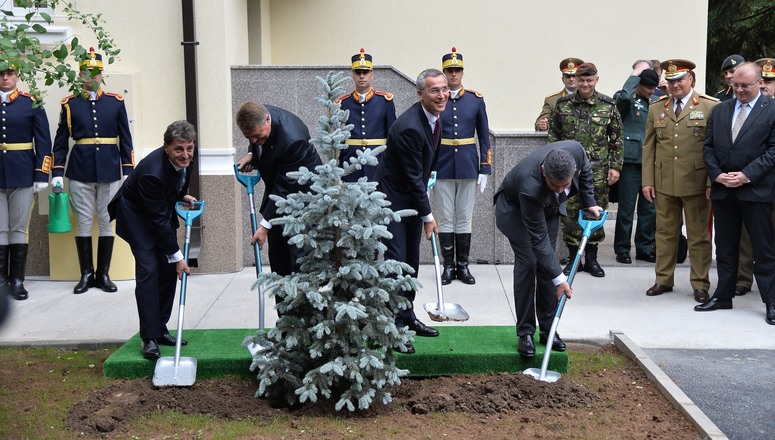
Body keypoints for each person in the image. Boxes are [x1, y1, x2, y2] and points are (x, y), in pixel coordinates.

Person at [494, 140, 601, 358]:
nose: (561, 191)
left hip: (548, 209)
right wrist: (560, 279)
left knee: (547, 266)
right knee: (530, 261)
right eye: (555, 186)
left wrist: (588, 201)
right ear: (544, 172)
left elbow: (587, 171)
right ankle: (525, 332)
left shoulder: (576, 151)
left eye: (565, 185)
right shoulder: (530, 187)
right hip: (514, 210)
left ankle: (548, 329)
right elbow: (539, 240)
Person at [107, 120, 197, 359]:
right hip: (136, 217)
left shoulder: (187, 157)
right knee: (149, 270)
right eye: (179, 149)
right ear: (166, 147)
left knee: (167, 271)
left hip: (156, 210)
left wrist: (181, 194)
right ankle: (148, 337)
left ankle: (160, 329)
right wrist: (178, 257)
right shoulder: (151, 173)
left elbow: (177, 180)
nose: (185, 154)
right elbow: (158, 221)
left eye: (189, 148)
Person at [375, 68, 448, 354]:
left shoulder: (433, 117)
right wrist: (429, 216)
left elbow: (421, 172)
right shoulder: (409, 127)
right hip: (393, 200)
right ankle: (393, 329)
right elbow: (411, 177)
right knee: (397, 263)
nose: (441, 95)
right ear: (420, 94)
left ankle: (406, 317)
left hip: (411, 196)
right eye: (434, 90)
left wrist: (424, 208)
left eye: (444, 89)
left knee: (411, 261)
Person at [52, 48, 134, 295]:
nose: (93, 75)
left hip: (109, 168)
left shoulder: (115, 102)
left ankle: (104, 274)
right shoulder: (70, 104)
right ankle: (86, 274)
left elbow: (125, 138)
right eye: (88, 71)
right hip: (80, 169)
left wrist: (128, 170)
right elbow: (60, 140)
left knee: (107, 220)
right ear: (80, 73)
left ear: (102, 74)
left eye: (97, 71)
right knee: (85, 222)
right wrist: (57, 171)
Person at [698, 62, 775, 326]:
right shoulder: (721, 110)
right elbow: (708, 147)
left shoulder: (772, 109)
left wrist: (745, 175)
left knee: (763, 250)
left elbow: (773, 152)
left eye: (745, 85)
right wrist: (717, 174)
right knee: (726, 248)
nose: (740, 90)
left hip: (755, 190)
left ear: (759, 83)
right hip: (724, 190)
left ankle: (771, 301)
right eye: (736, 85)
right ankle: (723, 296)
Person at [642, 59, 718, 302]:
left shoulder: (709, 107)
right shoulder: (657, 107)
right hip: (664, 182)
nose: (674, 85)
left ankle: (700, 284)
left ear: (691, 81)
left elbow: (714, 148)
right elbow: (649, 147)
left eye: (680, 80)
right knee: (664, 234)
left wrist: (710, 183)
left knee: (699, 236)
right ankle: (663, 279)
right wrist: (647, 181)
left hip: (696, 183)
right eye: (671, 80)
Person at [548, 62, 623, 278]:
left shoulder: (608, 105)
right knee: (569, 214)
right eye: (581, 80)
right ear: (575, 80)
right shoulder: (562, 105)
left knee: (595, 212)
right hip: (568, 172)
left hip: (598, 171)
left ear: (596, 80)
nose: (585, 84)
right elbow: (553, 136)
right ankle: (574, 260)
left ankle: (592, 259)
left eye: (589, 80)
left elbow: (617, 139)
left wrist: (616, 167)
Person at [235, 102, 323, 283]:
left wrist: (264, 226)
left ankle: (301, 308)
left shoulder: (293, 139)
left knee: (298, 260)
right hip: (278, 193)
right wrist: (253, 154)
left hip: (302, 201)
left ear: (268, 120)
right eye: (248, 137)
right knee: (278, 261)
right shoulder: (257, 114)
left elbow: (285, 187)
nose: (253, 141)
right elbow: (258, 141)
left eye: (257, 137)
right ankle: (283, 309)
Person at [435, 47, 492, 285]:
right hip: (442, 164)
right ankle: (448, 267)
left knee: (464, 217)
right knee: (446, 217)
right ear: (444, 72)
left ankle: (463, 266)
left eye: (457, 70)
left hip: (468, 163)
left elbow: (484, 136)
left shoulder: (475, 99)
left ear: (462, 72)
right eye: (450, 70)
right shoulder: (437, 98)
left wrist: (485, 167)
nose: (454, 74)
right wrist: (428, 167)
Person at [0, 68, 52, 300]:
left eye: (9, 73)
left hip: (22, 173)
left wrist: (41, 175)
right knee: (0, 229)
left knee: (19, 228)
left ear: (18, 76)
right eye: (1, 73)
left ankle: (17, 280)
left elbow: (43, 141)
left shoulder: (31, 103)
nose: (4, 77)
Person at [734, 57, 775, 297]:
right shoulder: (745, 108)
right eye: (765, 81)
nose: (767, 86)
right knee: (747, 235)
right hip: (755, 180)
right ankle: (743, 279)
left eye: (771, 81)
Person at [612, 62, 660, 264]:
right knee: (626, 209)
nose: (651, 91)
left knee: (649, 209)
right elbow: (620, 101)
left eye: (653, 88)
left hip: (652, 163)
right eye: (648, 87)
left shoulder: (657, 100)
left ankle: (644, 247)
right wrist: (634, 75)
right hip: (630, 163)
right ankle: (622, 249)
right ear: (638, 84)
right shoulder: (626, 98)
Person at [335, 48, 396, 182]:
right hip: (350, 162)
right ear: (353, 75)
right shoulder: (342, 103)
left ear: (372, 75)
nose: (362, 76)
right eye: (358, 72)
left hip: (378, 162)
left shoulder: (384, 101)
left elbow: (392, 136)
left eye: (365, 72)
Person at [534, 58, 584, 131]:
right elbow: (540, 122)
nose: (571, 79)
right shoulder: (552, 100)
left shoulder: (588, 97)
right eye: (568, 76)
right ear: (563, 79)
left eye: (574, 76)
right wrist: (542, 125)